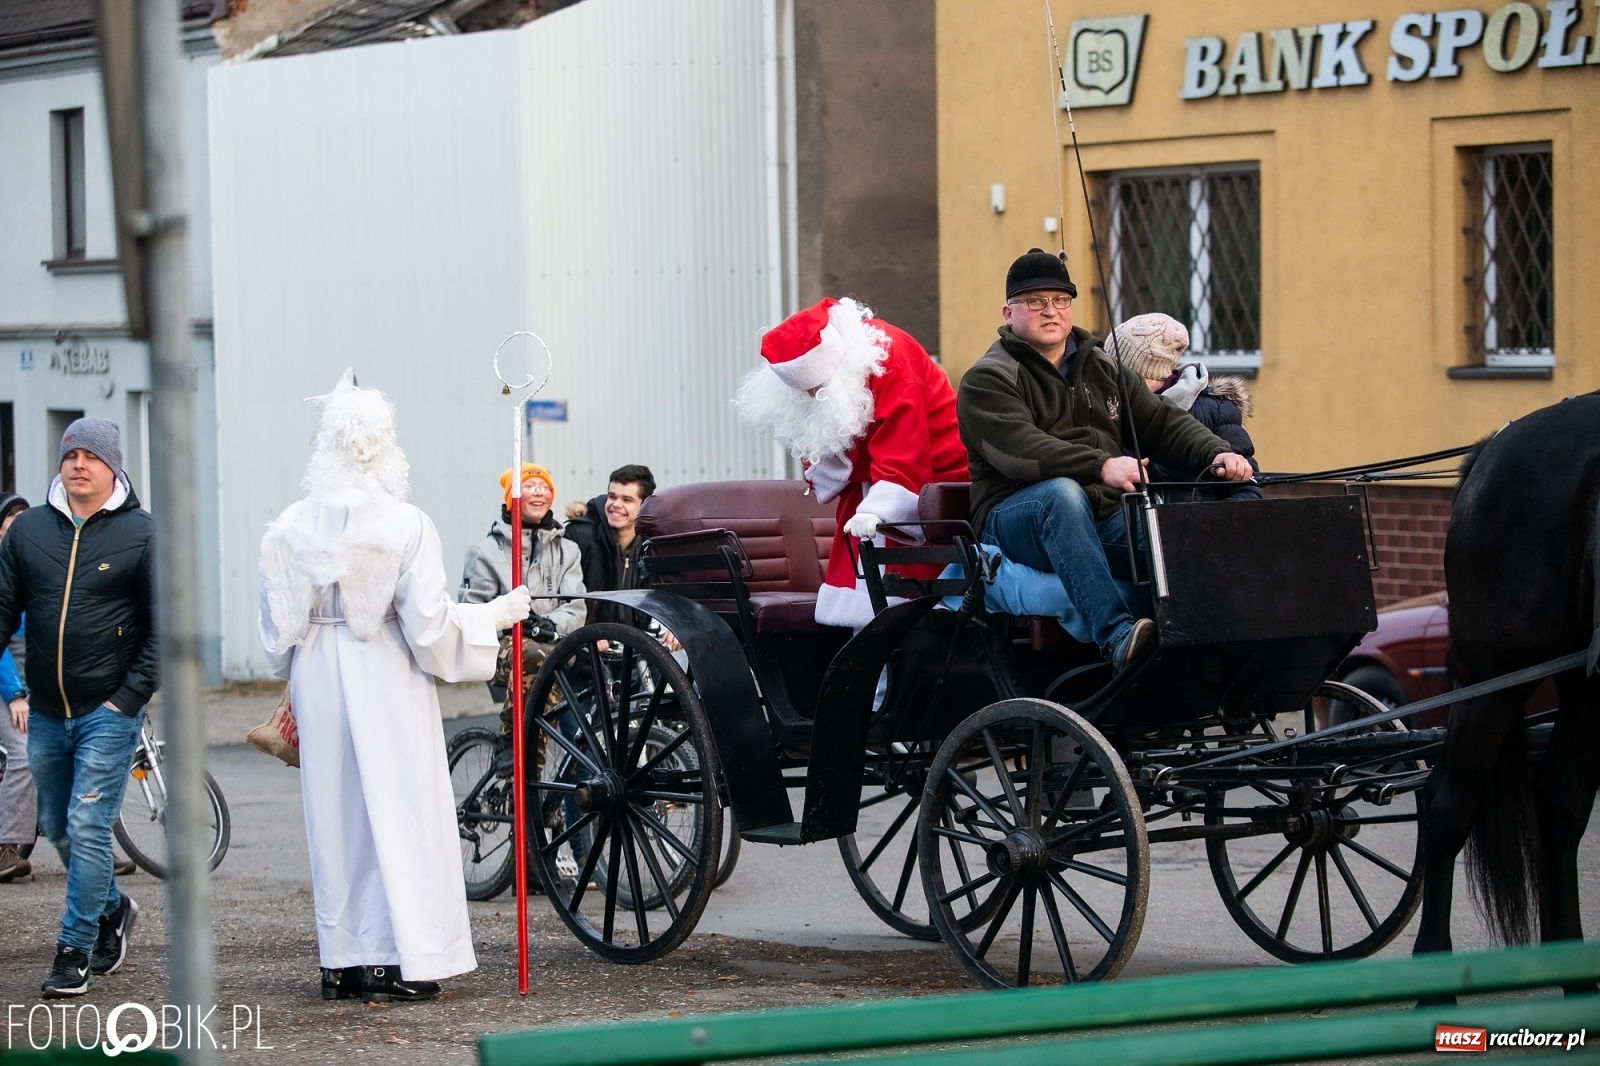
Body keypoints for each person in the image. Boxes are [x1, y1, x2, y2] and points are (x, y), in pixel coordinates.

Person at [258, 370, 532, 1004]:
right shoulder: (405, 522)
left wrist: (302, 664)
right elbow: (429, 630)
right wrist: (493, 616)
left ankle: (342, 961)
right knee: (399, 811)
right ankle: (395, 958)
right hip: (382, 669)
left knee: (335, 819)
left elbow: (275, 634)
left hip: (318, 672)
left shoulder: (290, 524)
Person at [956, 249, 1252, 670]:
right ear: (1009, 312)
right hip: (1015, 519)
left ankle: (1190, 655)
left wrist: (1217, 451)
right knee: (1061, 495)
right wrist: (1101, 466)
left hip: (1098, 516)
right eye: (1035, 301)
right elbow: (1020, 450)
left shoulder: (1101, 366)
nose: (1050, 311)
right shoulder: (988, 378)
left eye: (1060, 299)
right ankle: (1117, 638)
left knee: (1165, 537)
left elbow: (1161, 422)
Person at [0, 421, 158, 997]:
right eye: (71, 455)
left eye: (93, 456)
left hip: (108, 710)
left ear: (113, 466)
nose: (79, 465)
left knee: (89, 824)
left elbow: (163, 627)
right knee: (57, 825)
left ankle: (75, 949)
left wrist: (127, 699)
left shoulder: (143, 534)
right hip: (47, 710)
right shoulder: (29, 532)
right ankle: (112, 909)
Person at [735, 296, 967, 627]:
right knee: (863, 568)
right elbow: (830, 441)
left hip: (934, 479)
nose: (813, 396)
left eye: (818, 387)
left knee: (909, 588)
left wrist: (881, 509)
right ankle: (872, 649)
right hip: (873, 482)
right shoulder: (840, 373)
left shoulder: (890, 354)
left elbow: (905, 441)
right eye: (806, 390)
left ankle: (901, 647)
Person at [458, 462, 585, 771]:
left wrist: (549, 623)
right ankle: (509, 739)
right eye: (529, 487)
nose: (538, 493)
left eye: (544, 487)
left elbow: (576, 606)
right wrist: (506, 619)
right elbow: (471, 613)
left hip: (553, 648)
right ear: (511, 497)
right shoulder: (484, 552)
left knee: (544, 665)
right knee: (535, 656)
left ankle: (527, 783)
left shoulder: (568, 550)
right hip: (502, 651)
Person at [1110, 313, 1263, 503]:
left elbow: (1245, 491)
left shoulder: (1215, 412)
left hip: (1199, 520)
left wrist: (1209, 520)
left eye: (1119, 374)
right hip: (1129, 521)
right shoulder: (1111, 409)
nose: (1111, 381)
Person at [563, 465, 655, 627]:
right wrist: (590, 633)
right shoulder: (579, 535)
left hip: (638, 639)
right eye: (612, 497)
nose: (616, 504)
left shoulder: (654, 544)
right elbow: (564, 600)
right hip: (584, 637)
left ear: (644, 505)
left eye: (627, 500)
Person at [0, 493, 34, 884]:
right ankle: (5, 846)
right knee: (24, 753)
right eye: (10, 520)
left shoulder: (33, 565)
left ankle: (87, 852)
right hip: (6, 678)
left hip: (32, 671)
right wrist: (15, 695)